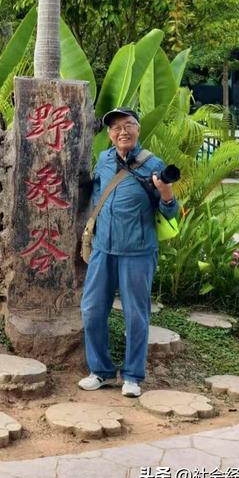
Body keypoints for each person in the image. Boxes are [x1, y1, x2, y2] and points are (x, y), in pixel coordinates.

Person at [78, 107, 180, 397]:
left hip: (137, 251)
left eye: (128, 125)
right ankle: (100, 371)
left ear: (137, 129)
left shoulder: (153, 164)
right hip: (103, 250)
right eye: (115, 128)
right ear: (109, 135)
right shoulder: (104, 159)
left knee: (136, 314)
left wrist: (166, 192)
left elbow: (170, 211)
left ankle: (133, 376)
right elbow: (96, 192)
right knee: (92, 309)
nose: (122, 131)